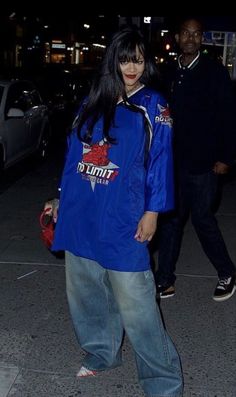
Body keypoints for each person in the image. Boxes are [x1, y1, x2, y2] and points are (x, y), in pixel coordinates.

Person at [46, 27, 183, 397]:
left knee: (138, 306)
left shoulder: (154, 105)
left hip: (124, 218)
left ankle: (163, 382)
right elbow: (74, 156)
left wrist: (153, 211)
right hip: (81, 213)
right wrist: (60, 198)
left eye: (138, 58)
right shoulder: (93, 101)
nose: (132, 67)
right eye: (124, 59)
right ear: (113, 61)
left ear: (146, 61)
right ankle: (102, 353)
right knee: (87, 292)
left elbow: (160, 160)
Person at [155, 17, 236, 301]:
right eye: (186, 33)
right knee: (170, 221)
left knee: (203, 219)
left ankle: (227, 272)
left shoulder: (214, 72)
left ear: (201, 39)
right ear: (177, 37)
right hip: (172, 163)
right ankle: (164, 279)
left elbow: (228, 117)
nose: (191, 38)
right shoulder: (166, 72)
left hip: (205, 164)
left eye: (196, 34)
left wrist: (226, 157)